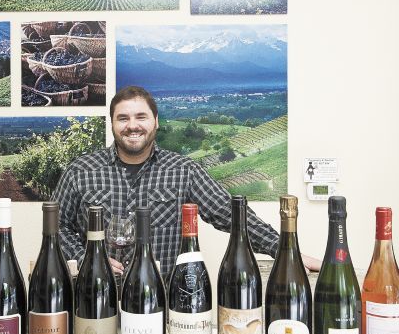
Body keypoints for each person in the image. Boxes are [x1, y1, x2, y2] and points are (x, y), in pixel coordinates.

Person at [51, 86, 321, 276]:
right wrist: (90, 258)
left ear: (156, 122)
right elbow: (56, 227)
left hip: (163, 303)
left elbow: (231, 214)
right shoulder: (80, 171)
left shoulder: (184, 170)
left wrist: (286, 251)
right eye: (123, 118)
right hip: (95, 300)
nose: (132, 125)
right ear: (112, 124)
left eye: (141, 117)